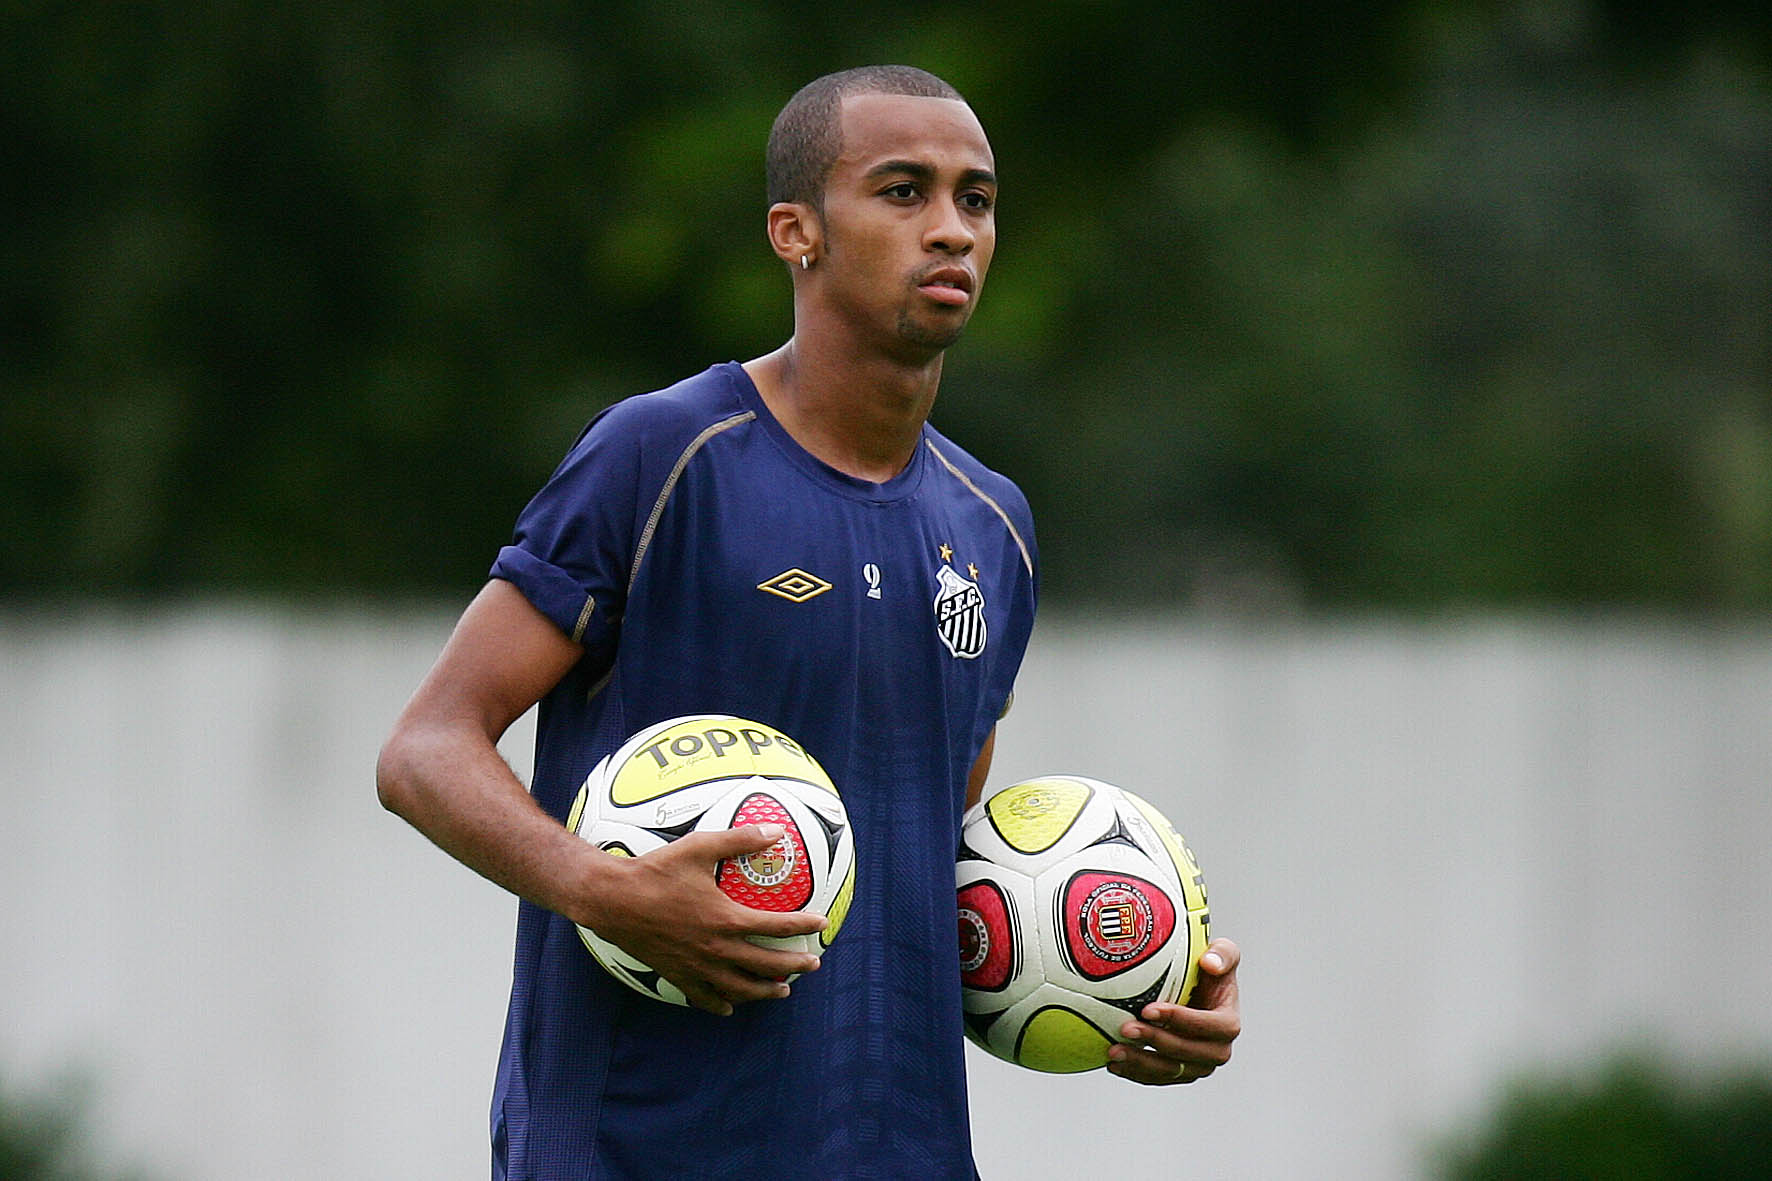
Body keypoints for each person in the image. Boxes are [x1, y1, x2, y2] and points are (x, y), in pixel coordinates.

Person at [377, 64, 1241, 1179]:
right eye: (900, 191)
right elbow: (424, 748)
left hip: (901, 1148)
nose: (949, 230)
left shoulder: (992, 526)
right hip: (635, 1147)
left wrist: (1135, 982)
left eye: (973, 200)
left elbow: (931, 856)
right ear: (796, 231)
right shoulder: (662, 455)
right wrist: (604, 887)